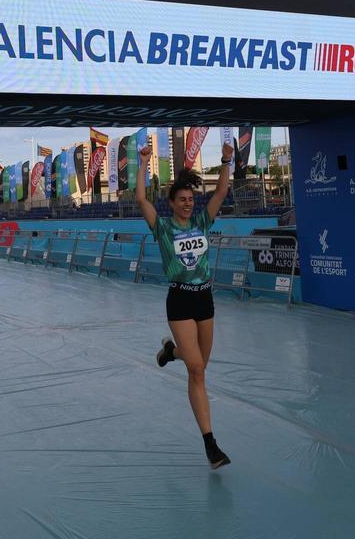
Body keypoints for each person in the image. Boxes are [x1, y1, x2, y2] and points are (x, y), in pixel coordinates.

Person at [136, 139, 233, 470]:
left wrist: (225, 161)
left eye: (191, 199)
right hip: (179, 299)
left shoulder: (202, 222)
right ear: (172, 203)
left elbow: (221, 192)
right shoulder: (162, 228)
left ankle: (170, 351)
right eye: (182, 200)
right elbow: (141, 199)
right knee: (196, 370)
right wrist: (143, 163)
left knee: (200, 365)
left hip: (204, 298)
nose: (188, 204)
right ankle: (211, 445)